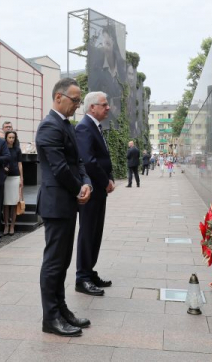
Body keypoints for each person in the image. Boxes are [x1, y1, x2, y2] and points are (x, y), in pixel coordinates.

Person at [36, 78, 92, 337]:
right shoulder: (49, 126)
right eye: (75, 100)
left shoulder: (65, 125)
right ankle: (51, 317)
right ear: (58, 97)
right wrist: (77, 188)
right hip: (56, 203)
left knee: (63, 261)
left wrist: (86, 183)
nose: (78, 105)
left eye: (80, 100)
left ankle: (61, 309)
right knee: (54, 263)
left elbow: (77, 162)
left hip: (67, 201)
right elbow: (59, 168)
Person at [74, 91, 115, 297]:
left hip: (99, 190)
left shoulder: (95, 127)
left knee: (95, 232)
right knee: (88, 232)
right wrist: (104, 180)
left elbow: (103, 157)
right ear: (92, 107)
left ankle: (89, 272)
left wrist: (110, 178)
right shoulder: (84, 127)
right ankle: (82, 278)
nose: (108, 108)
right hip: (90, 190)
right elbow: (88, 161)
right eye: (104, 104)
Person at [2, 130, 23, 236]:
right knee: (5, 204)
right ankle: (6, 225)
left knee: (14, 203)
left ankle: (12, 226)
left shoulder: (17, 149)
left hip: (15, 177)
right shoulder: (3, 148)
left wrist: (21, 178)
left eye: (13, 138)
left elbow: (20, 164)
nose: (11, 139)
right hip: (5, 177)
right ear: (6, 138)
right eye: (9, 137)